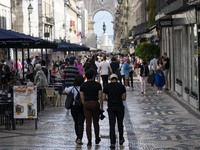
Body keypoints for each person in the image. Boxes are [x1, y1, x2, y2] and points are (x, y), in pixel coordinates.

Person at [80, 68, 103, 146]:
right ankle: (97, 138)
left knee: (88, 123)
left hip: (87, 104)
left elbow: (82, 97)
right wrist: (101, 106)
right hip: (95, 104)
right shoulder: (98, 85)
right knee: (96, 123)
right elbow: (100, 97)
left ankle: (89, 141)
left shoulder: (83, 85)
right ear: (93, 76)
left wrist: (85, 104)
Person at [102, 74, 126, 149]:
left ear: (110, 79)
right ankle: (121, 139)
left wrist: (108, 100)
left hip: (111, 107)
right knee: (120, 123)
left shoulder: (106, 86)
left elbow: (103, 97)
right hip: (119, 107)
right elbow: (124, 97)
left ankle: (112, 142)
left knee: (112, 125)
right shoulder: (121, 86)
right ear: (117, 79)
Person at [64, 75, 85, 145]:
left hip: (74, 107)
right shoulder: (84, 88)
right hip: (82, 107)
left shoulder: (72, 88)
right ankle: (79, 138)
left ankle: (78, 136)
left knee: (76, 122)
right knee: (81, 122)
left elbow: (64, 91)